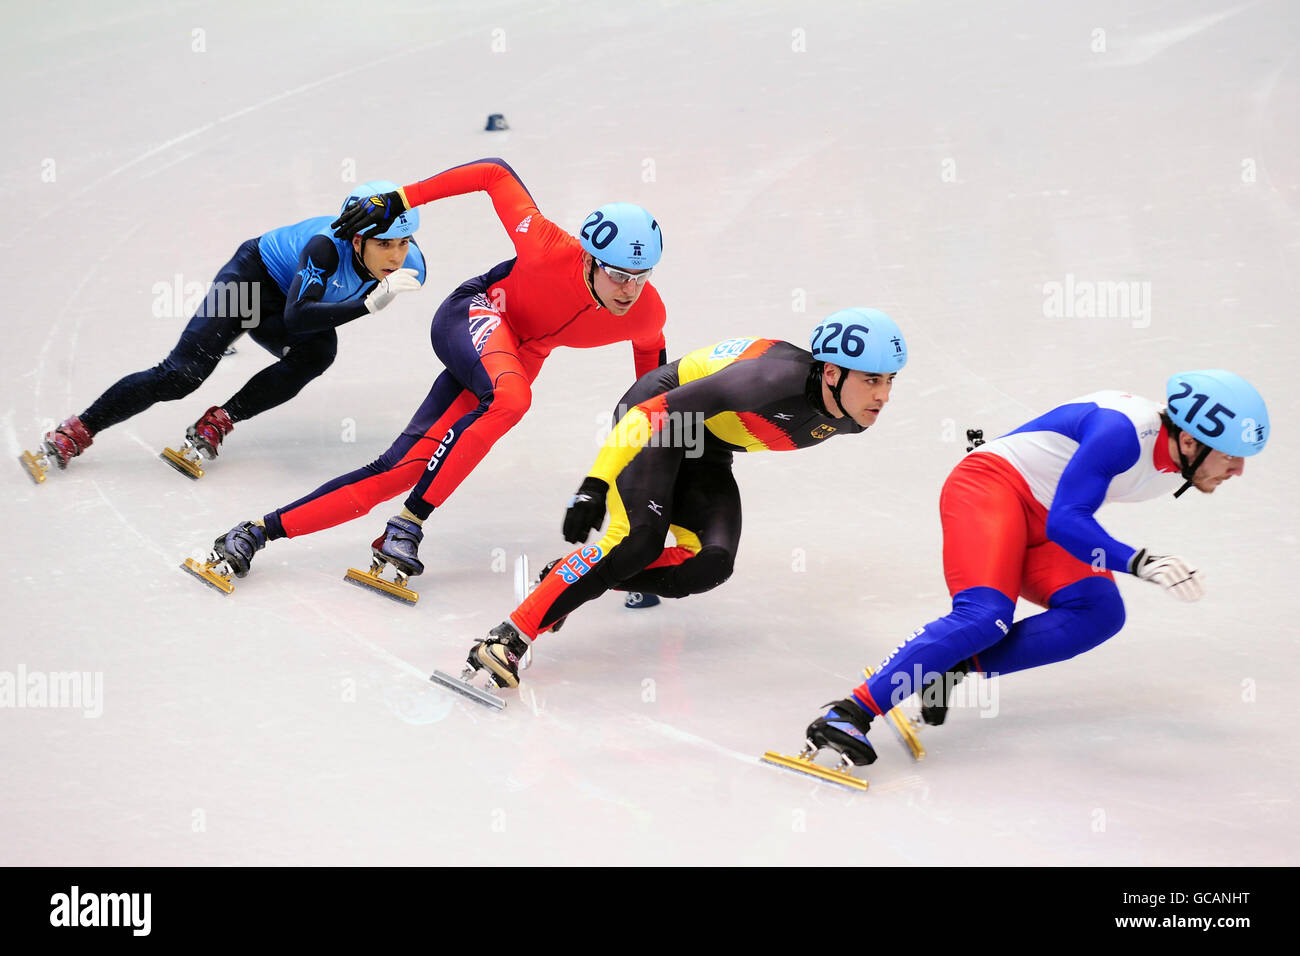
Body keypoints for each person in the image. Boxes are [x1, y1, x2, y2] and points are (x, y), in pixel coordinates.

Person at [194, 158, 667, 599]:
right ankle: (409, 525)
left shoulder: (646, 314)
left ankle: (254, 532)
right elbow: (494, 174)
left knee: (399, 471)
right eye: (617, 274)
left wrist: (645, 461)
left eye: (640, 276)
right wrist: (401, 198)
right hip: (476, 313)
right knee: (512, 399)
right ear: (588, 258)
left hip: (518, 356)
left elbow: (652, 395)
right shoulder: (545, 244)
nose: (629, 290)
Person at [796, 370, 1270, 774]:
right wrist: (1139, 561)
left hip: (1043, 517)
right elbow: (1069, 518)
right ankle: (848, 714)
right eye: (1230, 455)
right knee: (984, 616)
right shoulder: (1123, 432)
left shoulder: (1178, 454)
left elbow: (1060, 498)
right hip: (991, 490)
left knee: (1100, 612)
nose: (1239, 471)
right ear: (1189, 439)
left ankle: (949, 667)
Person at [458, 308, 909, 690]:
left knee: (709, 565)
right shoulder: (767, 381)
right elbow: (647, 415)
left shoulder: (855, 413)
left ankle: (565, 580)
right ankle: (506, 638)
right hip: (659, 415)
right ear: (830, 372)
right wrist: (594, 485)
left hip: (707, 446)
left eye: (889, 380)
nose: (884, 396)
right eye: (872, 380)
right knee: (638, 541)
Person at [21, 181, 425, 482]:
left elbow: (308, 321)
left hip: (286, 308)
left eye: (404, 243)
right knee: (182, 375)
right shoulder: (323, 248)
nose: (396, 256)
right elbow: (299, 318)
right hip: (252, 285)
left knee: (318, 354)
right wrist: (370, 303)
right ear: (357, 240)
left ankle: (218, 421)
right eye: (385, 244)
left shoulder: (411, 265)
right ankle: (78, 430)